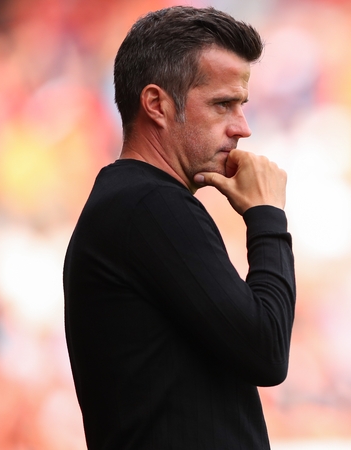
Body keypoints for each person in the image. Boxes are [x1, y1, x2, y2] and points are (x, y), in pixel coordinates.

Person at [63, 6, 296, 449]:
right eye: (223, 104)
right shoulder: (150, 204)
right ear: (157, 105)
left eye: (241, 105)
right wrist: (267, 218)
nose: (242, 128)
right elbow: (266, 351)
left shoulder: (131, 202)